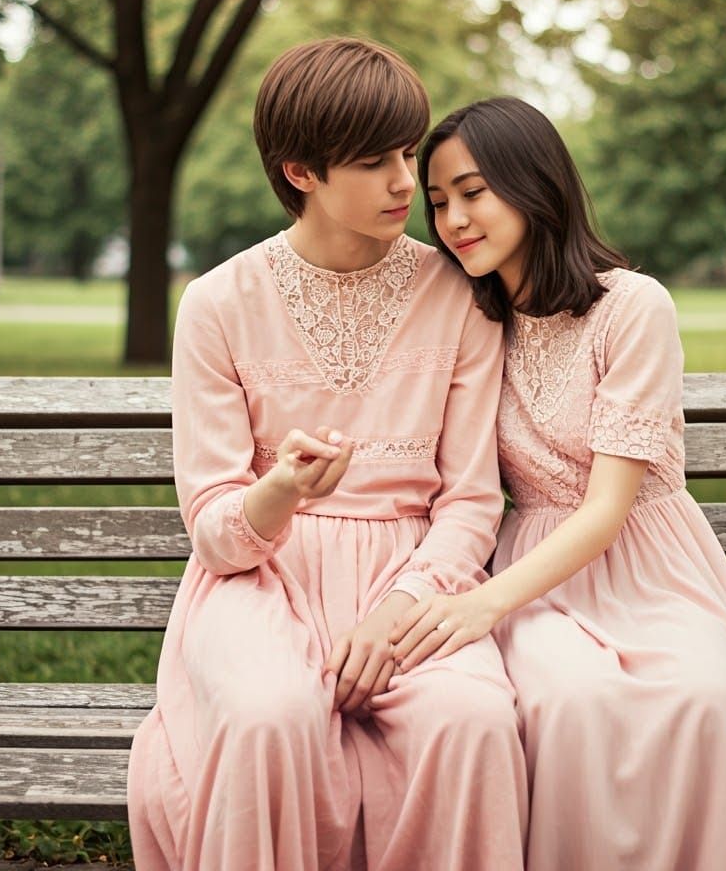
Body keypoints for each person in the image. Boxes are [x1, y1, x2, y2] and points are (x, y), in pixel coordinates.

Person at [127, 42, 528, 871]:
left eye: (408, 153)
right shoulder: (215, 304)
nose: (403, 183)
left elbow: (470, 503)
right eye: (373, 161)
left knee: (474, 723)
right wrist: (280, 489)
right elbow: (213, 529)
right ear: (301, 171)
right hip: (259, 583)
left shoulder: (461, 292)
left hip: (416, 575)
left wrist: (402, 606)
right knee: (267, 717)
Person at [389, 97, 726, 870]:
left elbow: (610, 509)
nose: (452, 220)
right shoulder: (472, 319)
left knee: (705, 698)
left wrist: (481, 602)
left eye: (473, 192)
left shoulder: (633, 307)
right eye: (438, 201)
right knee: (568, 703)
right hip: (539, 578)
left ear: (533, 183)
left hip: (651, 563)